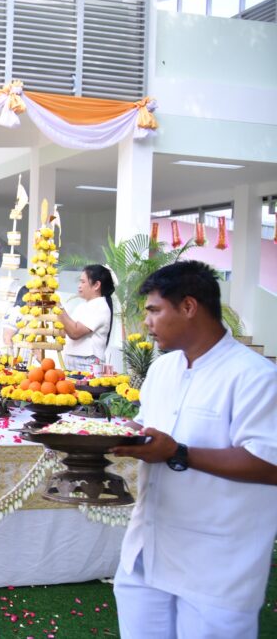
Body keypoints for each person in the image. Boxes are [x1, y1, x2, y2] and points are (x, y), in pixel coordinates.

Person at [110, 261, 277, 638]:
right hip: (147, 551)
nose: (146, 323)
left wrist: (178, 452)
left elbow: (270, 464)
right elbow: (148, 427)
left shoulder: (255, 377)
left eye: (154, 311)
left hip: (216, 566)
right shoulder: (162, 370)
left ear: (188, 306)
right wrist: (101, 435)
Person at [58, 264, 114, 371]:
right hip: (70, 360)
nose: (79, 286)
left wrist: (57, 306)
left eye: (83, 282)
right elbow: (65, 332)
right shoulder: (81, 306)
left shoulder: (101, 306)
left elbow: (75, 332)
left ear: (96, 285)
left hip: (88, 363)